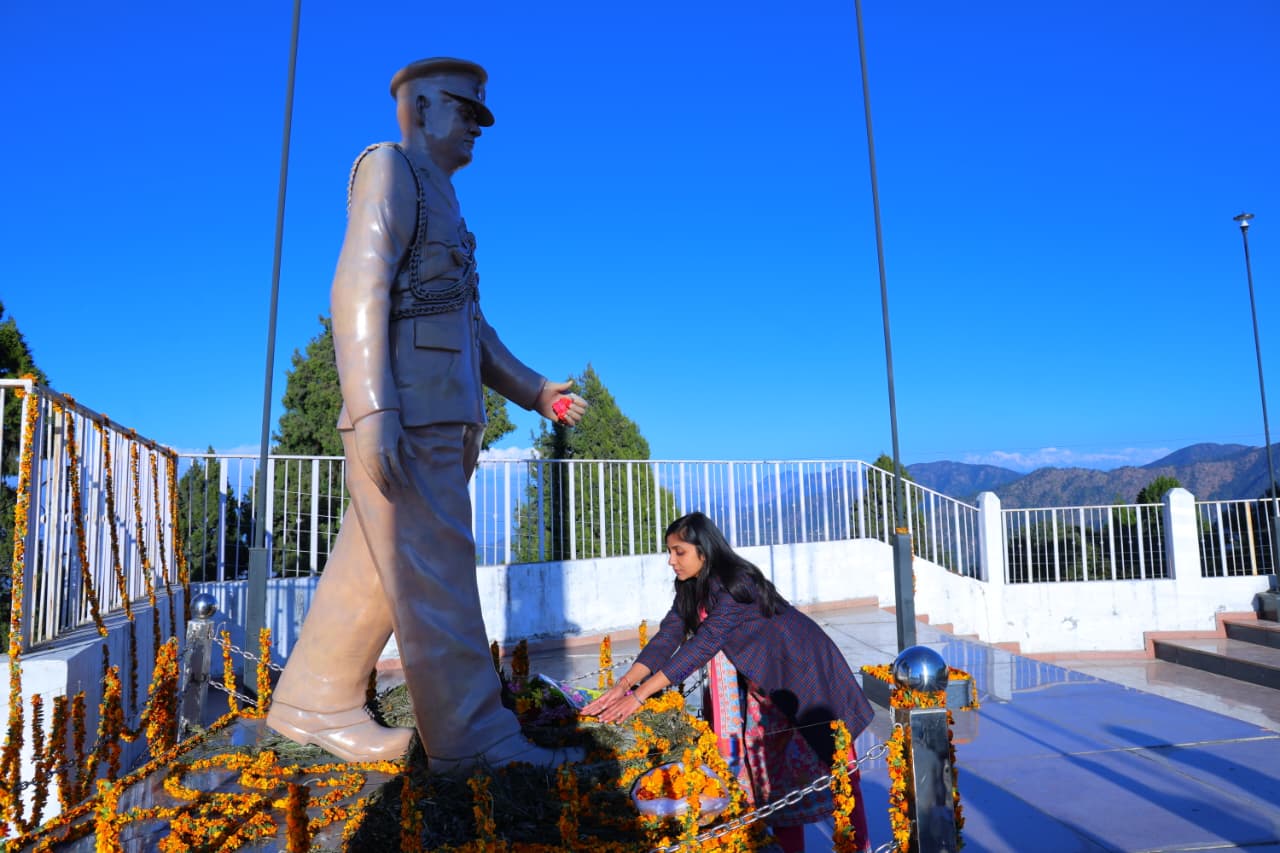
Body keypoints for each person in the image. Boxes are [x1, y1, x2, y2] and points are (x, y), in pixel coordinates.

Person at [266, 57, 587, 773]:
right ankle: (477, 739)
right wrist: (373, 406)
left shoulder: (444, 196)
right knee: (437, 578)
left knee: (377, 572)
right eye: (464, 108)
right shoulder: (390, 169)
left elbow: (471, 326)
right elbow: (358, 284)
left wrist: (535, 390)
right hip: (407, 416)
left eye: (481, 112)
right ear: (415, 107)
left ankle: (313, 699)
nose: (476, 123)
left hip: (438, 417)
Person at [584, 512, 874, 852]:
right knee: (772, 786)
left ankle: (862, 847)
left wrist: (640, 697)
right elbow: (668, 637)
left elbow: (703, 645)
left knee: (839, 766)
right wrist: (624, 686)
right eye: (669, 551)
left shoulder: (737, 582)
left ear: (703, 551)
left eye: (679, 552)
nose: (670, 560)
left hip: (805, 674)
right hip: (765, 686)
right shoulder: (691, 587)